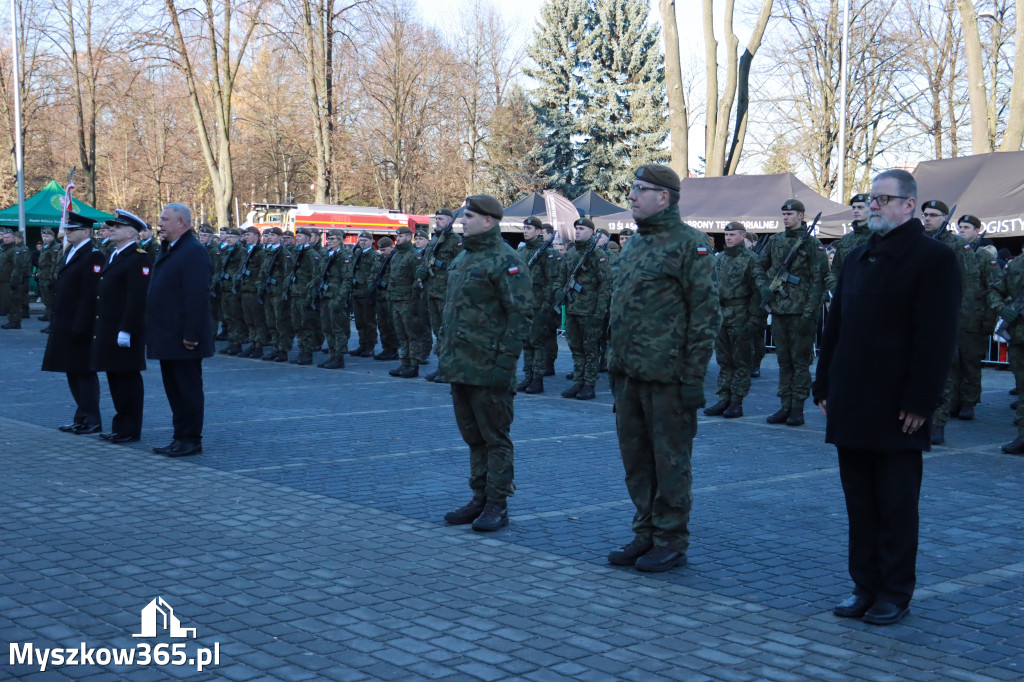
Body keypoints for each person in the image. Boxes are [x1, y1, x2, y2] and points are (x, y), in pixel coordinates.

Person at [813, 169, 960, 626]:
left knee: (895, 504)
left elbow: (935, 337)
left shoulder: (933, 258)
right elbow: (834, 328)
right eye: (870, 198)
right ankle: (864, 586)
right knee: (860, 503)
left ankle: (894, 591)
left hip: (899, 407)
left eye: (882, 198)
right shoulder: (858, 257)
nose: (872, 204)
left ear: (908, 205)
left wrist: (921, 401)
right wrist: (823, 385)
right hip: (852, 402)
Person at [607, 164, 720, 573]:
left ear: (664, 197)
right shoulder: (634, 246)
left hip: (668, 378)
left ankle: (671, 539)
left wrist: (693, 379)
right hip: (629, 375)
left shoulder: (691, 245)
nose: (632, 196)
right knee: (636, 461)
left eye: (640, 190)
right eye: (632, 189)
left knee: (670, 462)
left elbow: (706, 316)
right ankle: (645, 533)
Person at [439, 194, 533, 531]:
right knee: (473, 437)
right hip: (460, 365)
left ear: (488, 221)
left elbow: (520, 316)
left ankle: (497, 503)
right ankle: (479, 498)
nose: (462, 221)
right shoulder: (464, 257)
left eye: (469, 216)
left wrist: (504, 365)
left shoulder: (506, 260)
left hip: (489, 366)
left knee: (495, 438)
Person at [147, 203, 214, 457]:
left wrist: (191, 334)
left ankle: (191, 439)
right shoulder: (171, 249)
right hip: (167, 335)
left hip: (183, 338)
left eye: (165, 219)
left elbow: (196, 297)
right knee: (174, 390)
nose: (160, 224)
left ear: (181, 223)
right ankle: (179, 436)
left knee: (187, 390)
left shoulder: (193, 251)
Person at [759, 199, 828, 426]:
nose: (786, 217)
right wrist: (764, 287)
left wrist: (810, 312)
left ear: (801, 215)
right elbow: (759, 265)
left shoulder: (812, 244)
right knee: (783, 361)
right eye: (784, 213)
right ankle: (784, 405)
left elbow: (819, 280)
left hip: (801, 312)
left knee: (800, 362)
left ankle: (797, 408)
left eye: (790, 214)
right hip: (779, 310)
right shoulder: (775, 240)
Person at [41, 212, 105, 433]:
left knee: (84, 372)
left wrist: (82, 325)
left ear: (86, 232)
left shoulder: (93, 255)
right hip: (66, 322)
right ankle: (81, 417)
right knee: (71, 369)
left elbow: (90, 295)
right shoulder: (71, 252)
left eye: (72, 230)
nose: (66, 232)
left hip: (80, 324)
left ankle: (92, 419)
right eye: (67, 229)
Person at [93, 210, 152, 444]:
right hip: (110, 328)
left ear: (132, 233)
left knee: (127, 380)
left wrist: (127, 329)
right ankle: (120, 426)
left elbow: (137, 298)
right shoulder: (115, 254)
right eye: (111, 227)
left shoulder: (138, 258)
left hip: (124, 330)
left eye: (117, 227)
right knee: (115, 377)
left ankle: (129, 428)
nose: (112, 229)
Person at [704, 222, 766, 419]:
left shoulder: (751, 259)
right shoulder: (719, 259)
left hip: (741, 315)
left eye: (732, 234)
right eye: (726, 234)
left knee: (740, 362)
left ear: (742, 236)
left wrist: (754, 319)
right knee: (724, 361)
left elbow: (757, 293)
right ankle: (724, 398)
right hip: (721, 316)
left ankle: (736, 401)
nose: (728, 237)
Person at [948, 214, 1002, 421]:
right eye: (960, 227)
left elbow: (995, 287)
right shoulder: (954, 253)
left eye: (967, 227)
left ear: (977, 231)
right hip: (954, 316)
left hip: (974, 318)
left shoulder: (984, 256)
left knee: (970, 362)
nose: (962, 230)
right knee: (953, 363)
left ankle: (969, 402)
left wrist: (988, 320)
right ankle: (952, 401)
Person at [558, 217, 611, 400]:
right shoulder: (571, 253)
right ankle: (579, 381)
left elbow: (605, 284)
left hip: (590, 311)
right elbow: (562, 278)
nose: (578, 231)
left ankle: (589, 384)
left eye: (582, 228)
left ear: (591, 232)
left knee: (590, 349)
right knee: (576, 348)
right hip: (572, 309)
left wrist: (600, 311)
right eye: (576, 228)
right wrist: (559, 295)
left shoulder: (597, 255)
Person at [516, 217, 560, 394]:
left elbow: (553, 281)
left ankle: (537, 379)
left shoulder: (549, 254)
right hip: (524, 304)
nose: (525, 231)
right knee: (526, 342)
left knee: (538, 343)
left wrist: (547, 305)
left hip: (540, 305)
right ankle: (528, 376)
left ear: (539, 231)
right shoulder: (522, 252)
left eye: (529, 228)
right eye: (524, 228)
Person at [418, 209, 461, 380]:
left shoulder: (456, 241)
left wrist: (439, 263)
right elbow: (426, 261)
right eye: (436, 218)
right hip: (431, 291)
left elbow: (459, 265)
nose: (438, 221)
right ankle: (442, 366)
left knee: (447, 332)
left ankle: (450, 369)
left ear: (450, 221)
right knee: (437, 331)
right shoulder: (435, 239)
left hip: (445, 292)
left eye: (441, 218)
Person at [387, 226, 429, 377]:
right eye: (397, 236)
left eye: (401, 236)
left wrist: (414, 302)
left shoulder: (413, 255)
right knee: (401, 334)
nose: (398, 239)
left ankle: (413, 364)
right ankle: (404, 362)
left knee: (412, 334)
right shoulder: (396, 255)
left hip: (408, 301)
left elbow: (417, 280)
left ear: (408, 237)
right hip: (396, 299)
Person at [314, 230, 354, 369]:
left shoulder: (344, 256)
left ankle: (339, 357)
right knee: (327, 327)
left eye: (332, 239)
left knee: (338, 328)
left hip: (336, 296)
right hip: (325, 295)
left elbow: (347, 279)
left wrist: (341, 298)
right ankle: (332, 354)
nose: (329, 241)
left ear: (340, 240)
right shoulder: (328, 254)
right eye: (328, 238)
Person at [826, 194, 872, 296]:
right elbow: (834, 271)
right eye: (854, 208)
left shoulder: (879, 237)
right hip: (846, 296)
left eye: (860, 207)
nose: (856, 211)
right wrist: (836, 290)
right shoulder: (845, 239)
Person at [350, 231, 380, 356]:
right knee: (359, 321)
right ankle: (362, 345)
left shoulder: (374, 255)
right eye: (360, 240)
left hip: (367, 292)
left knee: (369, 321)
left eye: (365, 240)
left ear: (371, 241)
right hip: (357, 291)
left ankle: (370, 346)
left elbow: (374, 274)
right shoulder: (358, 254)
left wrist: (370, 290)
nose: (362, 242)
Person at [373, 236, 399, 360]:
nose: (382, 252)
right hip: (380, 296)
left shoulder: (395, 258)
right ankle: (386, 348)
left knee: (391, 324)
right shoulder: (380, 258)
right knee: (382, 324)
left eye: (384, 250)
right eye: (381, 250)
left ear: (391, 247)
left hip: (390, 296)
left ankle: (393, 349)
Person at [0, 228, 31, 329]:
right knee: (7, 302)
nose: (6, 239)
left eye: (8, 237)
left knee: (13, 302)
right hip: (3, 280)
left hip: (11, 281)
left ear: (14, 238)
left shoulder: (15, 250)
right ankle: (11, 320)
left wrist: (14, 280)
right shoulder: (3, 249)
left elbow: (17, 266)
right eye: (4, 237)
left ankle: (15, 321)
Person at [36, 228, 60, 326]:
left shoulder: (55, 247)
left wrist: (52, 279)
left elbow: (55, 264)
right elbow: (41, 263)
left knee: (51, 300)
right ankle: (48, 315)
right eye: (43, 236)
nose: (45, 238)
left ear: (53, 237)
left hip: (49, 277)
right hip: (43, 276)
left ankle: (52, 323)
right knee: (46, 298)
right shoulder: (45, 247)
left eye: (47, 236)